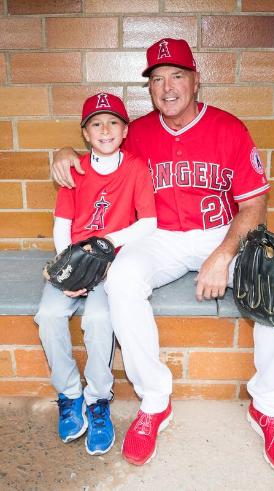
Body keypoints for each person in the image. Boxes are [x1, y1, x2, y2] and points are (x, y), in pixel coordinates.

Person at [52, 39, 274, 474]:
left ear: (195, 80)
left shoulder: (229, 128)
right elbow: (98, 154)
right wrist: (65, 154)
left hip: (219, 235)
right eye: (158, 79)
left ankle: (270, 408)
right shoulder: (138, 133)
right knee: (122, 279)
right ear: (149, 88)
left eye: (177, 76)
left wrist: (224, 254)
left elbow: (254, 205)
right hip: (160, 237)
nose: (167, 87)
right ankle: (154, 401)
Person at [35, 92, 156, 456]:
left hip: (111, 265)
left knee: (101, 319)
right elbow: (62, 225)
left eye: (113, 122)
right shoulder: (75, 169)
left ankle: (98, 399)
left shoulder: (135, 167)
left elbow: (148, 223)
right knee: (49, 314)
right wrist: (70, 268)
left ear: (125, 130)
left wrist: (101, 246)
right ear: (85, 133)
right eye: (96, 124)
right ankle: (70, 393)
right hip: (73, 261)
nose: (105, 129)